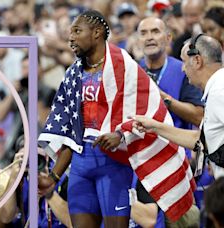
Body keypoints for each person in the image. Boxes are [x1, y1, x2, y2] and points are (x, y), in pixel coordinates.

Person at [38, 9, 195, 228]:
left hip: (112, 165)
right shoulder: (73, 74)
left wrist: (121, 134)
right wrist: (54, 178)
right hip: (80, 168)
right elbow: (70, 133)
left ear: (96, 32)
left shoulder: (127, 67)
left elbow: (147, 113)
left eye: (77, 31)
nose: (70, 37)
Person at [131, 34, 224, 178]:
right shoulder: (217, 89)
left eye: (184, 62)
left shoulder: (219, 91)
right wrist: (154, 126)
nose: (182, 69)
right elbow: (199, 139)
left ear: (197, 61)